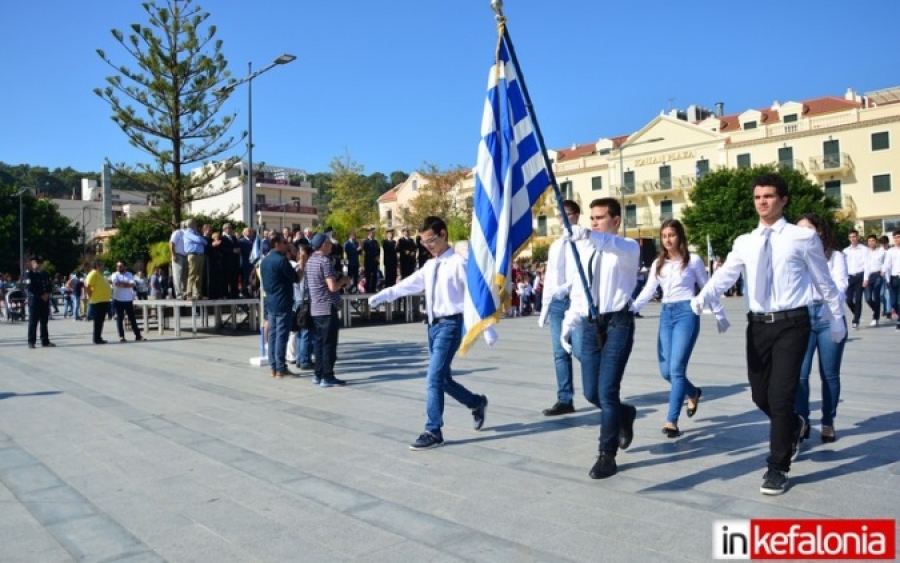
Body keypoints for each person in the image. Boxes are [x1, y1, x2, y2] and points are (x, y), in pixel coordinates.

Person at [692, 172, 845, 495]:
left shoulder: (802, 238)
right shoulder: (744, 241)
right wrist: (704, 294)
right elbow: (726, 274)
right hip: (758, 325)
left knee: (780, 396)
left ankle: (777, 467)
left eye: (769, 196)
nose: (762, 202)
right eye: (758, 197)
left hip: (793, 323)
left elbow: (823, 280)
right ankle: (794, 424)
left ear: (783, 200)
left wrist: (836, 317)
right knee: (760, 395)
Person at [368, 216, 488, 450]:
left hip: (451, 325)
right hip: (432, 325)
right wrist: (385, 294)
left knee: (433, 378)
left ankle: (433, 430)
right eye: (424, 242)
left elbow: (477, 295)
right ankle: (476, 402)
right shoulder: (431, 265)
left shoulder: (459, 264)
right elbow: (409, 284)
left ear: (443, 234)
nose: (428, 245)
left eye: (431, 240)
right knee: (442, 379)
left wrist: (486, 325)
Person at [559, 198, 640, 479]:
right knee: (591, 392)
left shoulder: (627, 248)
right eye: (591, 218)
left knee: (607, 392)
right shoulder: (586, 252)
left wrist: (590, 235)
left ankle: (607, 455)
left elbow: (610, 244)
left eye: (600, 218)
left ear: (616, 221)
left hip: (618, 322)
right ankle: (624, 413)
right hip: (592, 323)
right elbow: (581, 292)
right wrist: (569, 323)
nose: (594, 222)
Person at [632, 219, 729, 438]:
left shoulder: (692, 260)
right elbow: (648, 290)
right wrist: (631, 309)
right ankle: (693, 393)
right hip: (666, 314)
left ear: (680, 237)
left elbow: (707, 287)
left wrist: (719, 314)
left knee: (676, 369)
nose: (668, 239)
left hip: (687, 312)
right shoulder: (659, 263)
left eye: (672, 235)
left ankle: (671, 421)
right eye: (664, 236)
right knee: (666, 371)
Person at [793, 213, 847, 444]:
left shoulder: (835, 257)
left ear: (820, 231)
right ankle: (802, 421)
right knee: (799, 375)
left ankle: (828, 422)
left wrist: (830, 311)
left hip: (828, 316)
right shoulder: (794, 259)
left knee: (830, 375)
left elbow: (842, 286)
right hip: (801, 318)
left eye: (807, 229)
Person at [537, 200, 584, 416]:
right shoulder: (555, 246)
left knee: (583, 351)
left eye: (568, 214)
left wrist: (567, 287)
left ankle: (604, 389)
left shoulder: (584, 242)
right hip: (557, 303)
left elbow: (585, 274)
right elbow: (550, 279)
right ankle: (565, 399)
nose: (563, 218)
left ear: (577, 215)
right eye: (560, 215)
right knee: (559, 353)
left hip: (577, 301)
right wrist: (545, 308)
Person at [307, 232, 353, 387]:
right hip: (327, 306)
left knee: (319, 343)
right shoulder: (325, 262)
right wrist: (344, 280)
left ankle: (318, 374)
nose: (331, 245)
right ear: (322, 245)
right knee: (329, 344)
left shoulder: (310, 260)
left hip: (316, 307)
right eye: (328, 243)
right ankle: (328, 376)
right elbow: (332, 286)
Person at [260, 232, 300, 378]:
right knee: (281, 336)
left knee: (273, 335)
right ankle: (281, 368)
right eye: (284, 242)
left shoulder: (264, 261)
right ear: (277, 244)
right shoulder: (281, 260)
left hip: (271, 301)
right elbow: (296, 278)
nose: (286, 245)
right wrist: (302, 263)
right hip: (283, 301)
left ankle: (273, 367)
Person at [110, 261, 146, 343]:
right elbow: (117, 284)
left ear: (124, 267)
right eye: (118, 266)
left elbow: (133, 284)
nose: (119, 268)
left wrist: (123, 284)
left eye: (121, 266)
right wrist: (126, 284)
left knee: (132, 319)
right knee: (120, 319)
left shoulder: (129, 274)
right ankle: (121, 336)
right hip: (118, 300)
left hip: (128, 300)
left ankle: (138, 336)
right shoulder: (114, 275)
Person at [24, 256, 54, 349]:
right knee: (33, 322)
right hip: (35, 301)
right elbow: (30, 288)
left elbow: (49, 285)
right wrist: (41, 295)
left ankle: (45, 341)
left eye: (39, 263)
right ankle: (31, 341)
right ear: (32, 264)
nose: (38, 265)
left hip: (44, 301)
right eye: (36, 263)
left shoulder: (45, 274)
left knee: (44, 322)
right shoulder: (29, 274)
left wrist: (47, 293)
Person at [842, 229, 868, 330]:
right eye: (850, 237)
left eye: (854, 237)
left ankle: (856, 320)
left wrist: (865, 278)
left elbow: (867, 265)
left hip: (860, 276)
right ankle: (856, 313)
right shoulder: (846, 251)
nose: (852, 239)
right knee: (848, 299)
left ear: (858, 237)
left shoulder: (863, 249)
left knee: (857, 299)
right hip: (849, 277)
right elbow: (843, 266)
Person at [84, 260, 113, 344]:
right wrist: (90, 295)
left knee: (100, 321)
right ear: (97, 266)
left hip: (103, 301)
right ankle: (96, 339)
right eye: (102, 265)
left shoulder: (100, 275)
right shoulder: (93, 274)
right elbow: (87, 286)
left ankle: (99, 337)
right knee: (98, 322)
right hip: (97, 302)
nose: (103, 267)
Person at [183, 219, 208, 299]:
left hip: (200, 255)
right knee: (192, 275)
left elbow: (205, 241)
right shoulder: (188, 232)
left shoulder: (196, 233)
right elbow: (199, 240)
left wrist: (201, 240)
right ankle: (189, 293)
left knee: (199, 276)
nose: (196, 225)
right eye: (195, 223)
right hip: (193, 255)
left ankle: (198, 294)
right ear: (192, 224)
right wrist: (201, 240)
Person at [864, 233, 885, 327]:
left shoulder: (881, 251)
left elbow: (886, 262)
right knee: (868, 298)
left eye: (873, 241)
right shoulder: (865, 252)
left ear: (876, 242)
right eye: (869, 241)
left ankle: (875, 318)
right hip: (868, 276)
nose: (871, 242)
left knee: (876, 296)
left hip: (877, 275)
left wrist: (883, 271)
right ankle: (876, 310)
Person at [882, 231, 900, 330]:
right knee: (893, 302)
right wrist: (884, 271)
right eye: (896, 237)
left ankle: (899, 320)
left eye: (899, 237)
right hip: (893, 278)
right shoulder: (890, 251)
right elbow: (887, 264)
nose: (897, 239)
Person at [221, 223, 242, 299]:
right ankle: (226, 294)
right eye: (228, 228)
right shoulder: (222, 238)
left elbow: (238, 245)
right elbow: (223, 249)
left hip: (235, 261)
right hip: (227, 261)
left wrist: (238, 249)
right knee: (227, 278)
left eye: (230, 227)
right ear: (224, 229)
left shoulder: (234, 238)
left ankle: (234, 293)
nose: (230, 229)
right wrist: (232, 250)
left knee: (235, 278)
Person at [169, 221, 187, 299]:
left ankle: (184, 293)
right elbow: (171, 243)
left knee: (184, 276)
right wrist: (173, 254)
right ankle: (179, 294)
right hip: (178, 255)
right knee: (178, 275)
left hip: (185, 256)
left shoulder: (187, 234)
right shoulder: (177, 233)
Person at [362, 227, 381, 293]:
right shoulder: (365, 242)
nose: (374, 234)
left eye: (374, 233)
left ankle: (373, 290)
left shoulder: (376, 242)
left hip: (375, 262)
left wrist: (377, 256)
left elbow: (378, 250)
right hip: (368, 262)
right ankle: (367, 291)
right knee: (368, 277)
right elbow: (366, 251)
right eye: (372, 233)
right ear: (369, 233)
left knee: (375, 277)